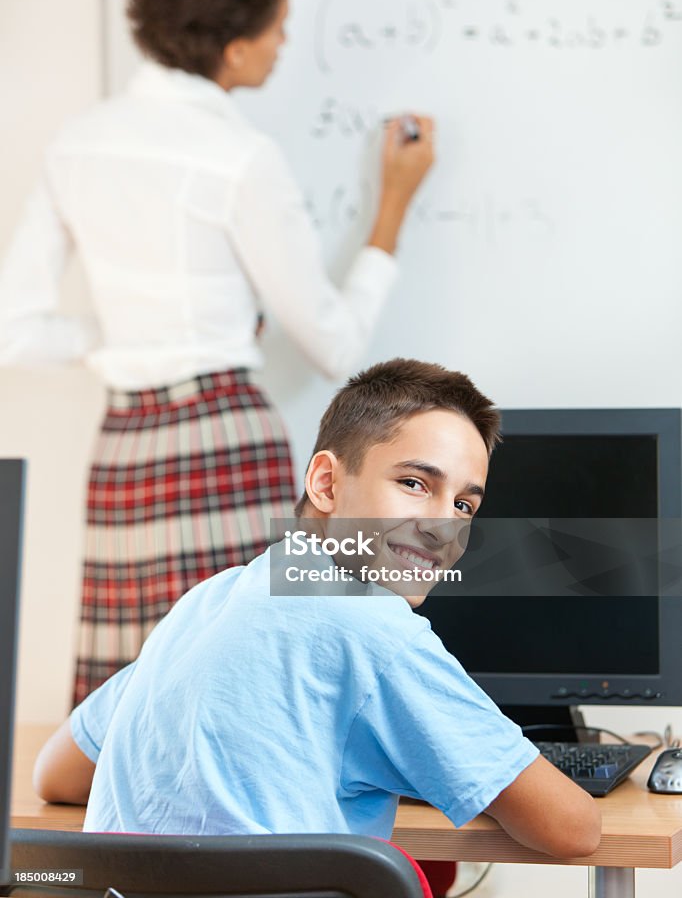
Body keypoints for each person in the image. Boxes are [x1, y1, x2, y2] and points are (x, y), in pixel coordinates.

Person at [0, 0, 435, 707]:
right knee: (251, 681)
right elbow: (333, 342)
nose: (284, 39)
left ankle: (119, 836)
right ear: (234, 48)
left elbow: (16, 328)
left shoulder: (77, 143)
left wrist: (122, 338)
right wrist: (394, 202)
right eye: (277, 24)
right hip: (224, 435)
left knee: (126, 700)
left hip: (124, 448)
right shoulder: (238, 156)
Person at [33, 358, 601, 858]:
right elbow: (573, 828)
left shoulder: (209, 600)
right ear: (326, 483)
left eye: (464, 504)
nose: (441, 524)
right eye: (412, 482)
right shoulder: (377, 628)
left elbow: (55, 772)